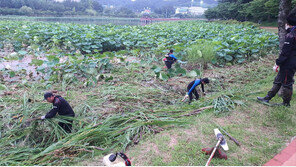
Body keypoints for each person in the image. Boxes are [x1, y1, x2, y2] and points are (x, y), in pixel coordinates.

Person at [257, 13, 296, 106]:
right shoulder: (292, 33)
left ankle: (286, 104)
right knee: (278, 80)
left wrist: (278, 62)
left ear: (289, 23)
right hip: (291, 61)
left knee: (287, 83)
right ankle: (267, 98)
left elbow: (285, 52)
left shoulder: (291, 35)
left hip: (289, 63)